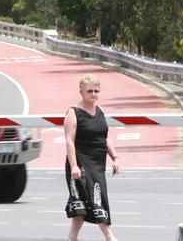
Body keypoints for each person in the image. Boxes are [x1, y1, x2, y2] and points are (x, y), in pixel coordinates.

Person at [64, 74, 120, 241]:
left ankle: (71, 238)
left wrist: (115, 157)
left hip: (97, 164)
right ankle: (110, 237)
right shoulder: (73, 113)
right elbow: (69, 141)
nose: (93, 94)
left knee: (81, 205)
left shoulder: (100, 111)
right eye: (90, 91)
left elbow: (105, 137)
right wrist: (73, 165)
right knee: (96, 198)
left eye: (96, 91)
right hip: (80, 163)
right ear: (81, 92)